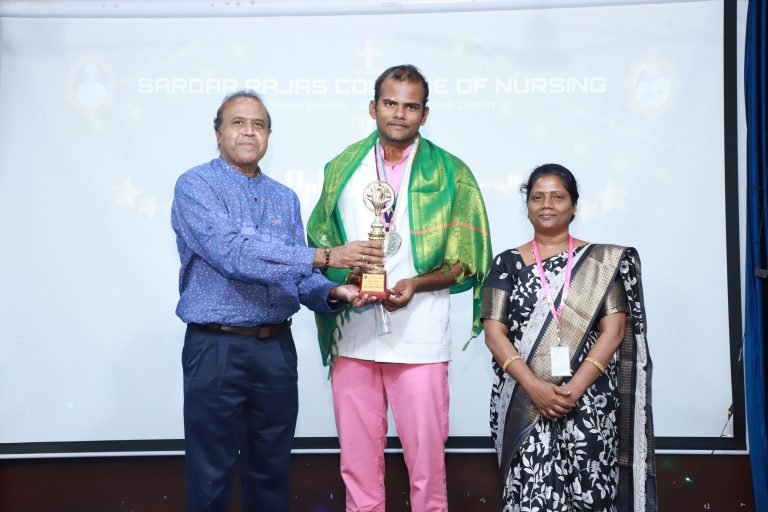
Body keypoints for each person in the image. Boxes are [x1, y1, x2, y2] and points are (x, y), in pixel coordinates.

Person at [170, 89, 383, 512]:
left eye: (259, 125)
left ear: (268, 135)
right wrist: (325, 257)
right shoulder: (196, 185)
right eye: (238, 123)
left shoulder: (285, 197)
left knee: (271, 470)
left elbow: (297, 276)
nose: (249, 132)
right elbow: (233, 254)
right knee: (210, 474)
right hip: (217, 348)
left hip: (275, 352)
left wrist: (334, 290)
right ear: (218, 133)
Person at [307, 64, 493, 512]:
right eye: (390, 103)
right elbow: (319, 241)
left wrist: (416, 284)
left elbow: (469, 259)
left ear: (425, 114)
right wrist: (347, 277)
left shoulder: (452, 173)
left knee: (426, 466)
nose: (399, 114)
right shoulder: (342, 167)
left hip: (419, 337)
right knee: (357, 465)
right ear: (373, 107)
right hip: (354, 334)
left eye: (411, 107)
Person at [481, 163, 657, 512]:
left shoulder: (601, 263)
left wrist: (574, 389)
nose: (546, 204)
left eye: (557, 197)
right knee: (530, 494)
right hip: (525, 399)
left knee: (591, 492)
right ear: (527, 206)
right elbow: (493, 333)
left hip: (590, 400)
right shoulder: (505, 263)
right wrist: (535, 388)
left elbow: (614, 330)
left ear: (574, 206)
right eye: (537, 197)